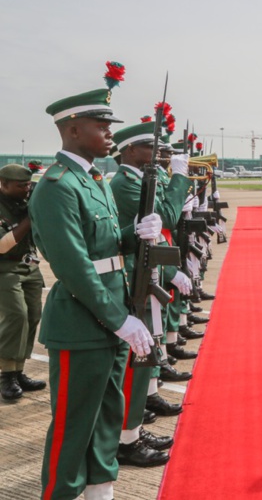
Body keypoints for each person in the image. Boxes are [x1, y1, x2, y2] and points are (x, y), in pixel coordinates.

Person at [31, 75, 165, 500]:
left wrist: (137, 233)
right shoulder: (57, 186)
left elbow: (105, 248)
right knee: (74, 425)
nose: (110, 133)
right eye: (101, 125)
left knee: (108, 417)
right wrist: (119, 319)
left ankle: (99, 492)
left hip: (111, 316)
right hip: (83, 321)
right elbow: (74, 267)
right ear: (73, 130)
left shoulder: (93, 181)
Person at [109, 120, 194, 467]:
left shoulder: (140, 180)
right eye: (152, 148)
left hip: (149, 272)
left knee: (147, 352)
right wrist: (179, 177)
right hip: (135, 278)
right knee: (138, 356)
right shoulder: (125, 185)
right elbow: (168, 216)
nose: (160, 154)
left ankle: (136, 423)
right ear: (130, 151)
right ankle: (127, 437)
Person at [0, 164, 45, 402]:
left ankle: (18, 371)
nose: (27, 189)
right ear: (4, 184)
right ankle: (6, 375)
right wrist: (31, 217)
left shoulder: (30, 198)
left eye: (28, 184)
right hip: (5, 268)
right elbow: (3, 244)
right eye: (21, 186)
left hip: (30, 266)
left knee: (32, 316)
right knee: (16, 316)